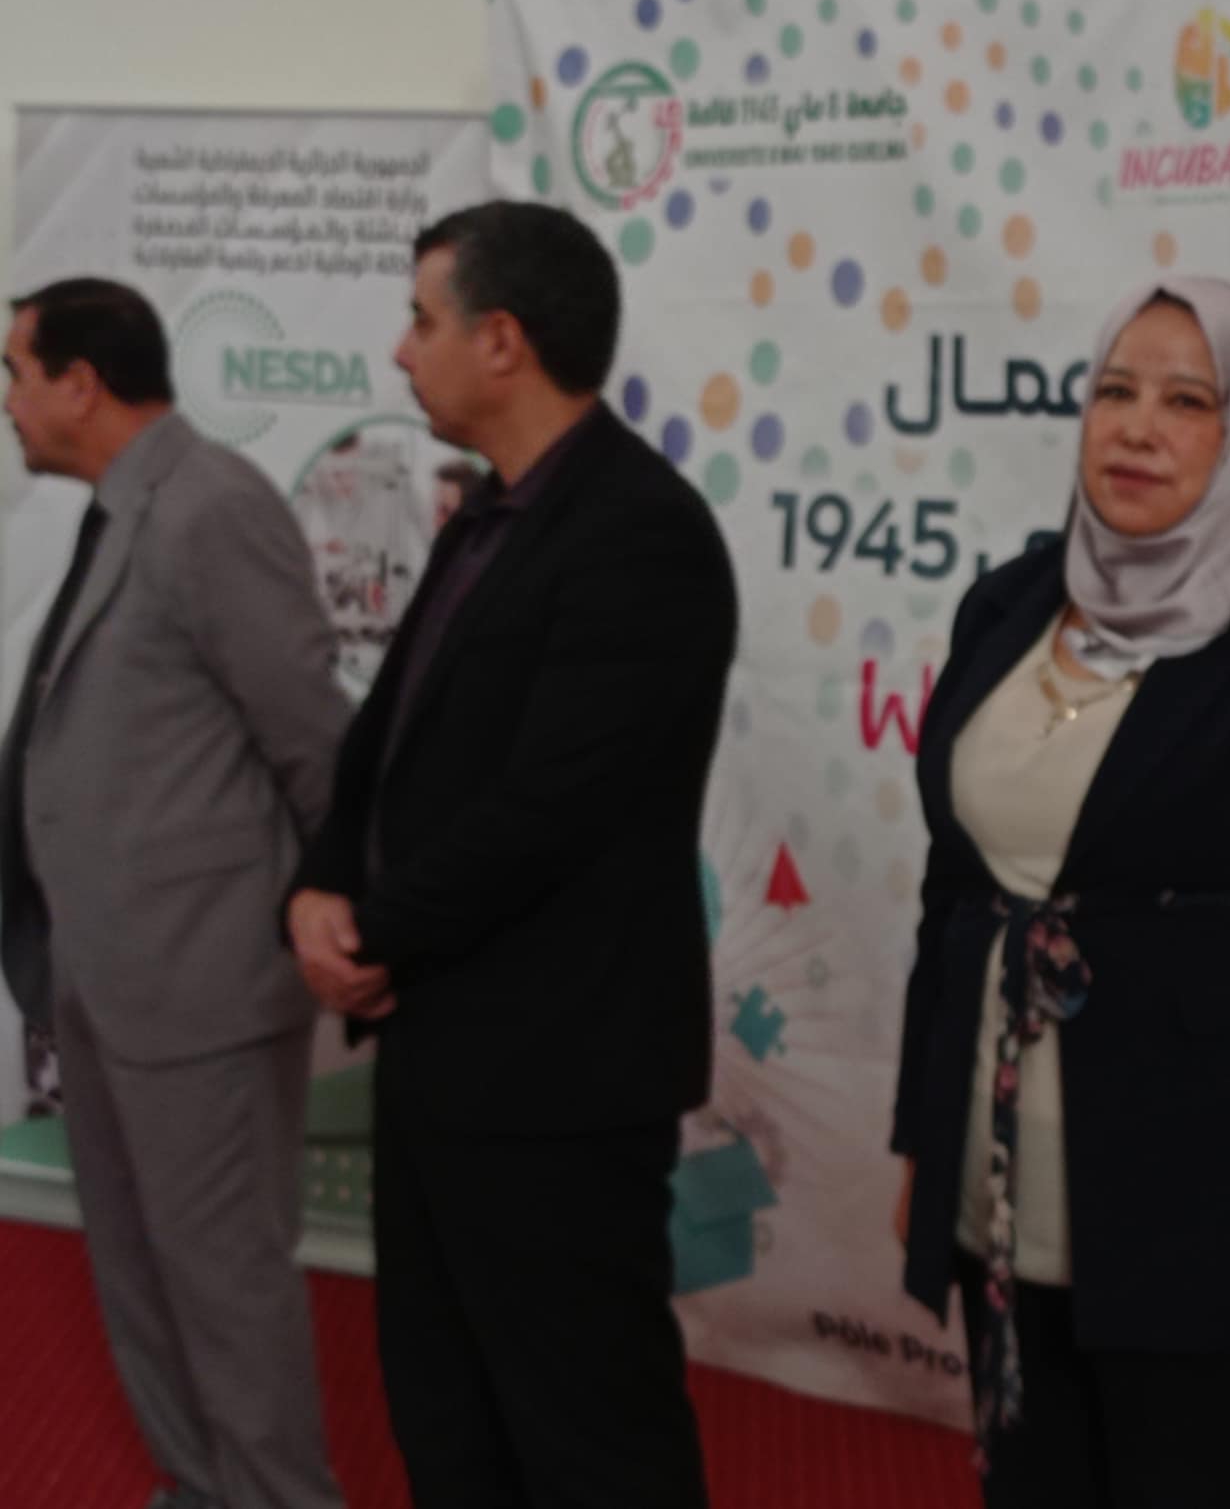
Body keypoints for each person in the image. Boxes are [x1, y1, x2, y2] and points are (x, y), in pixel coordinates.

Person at [889, 276, 1230, 1508]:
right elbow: (954, 890)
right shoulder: (1010, 602)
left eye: (1187, 402)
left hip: (1216, 1220)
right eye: (1114, 391)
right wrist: (922, 1139)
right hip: (1003, 1192)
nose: (1137, 428)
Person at [286, 201, 736, 1509]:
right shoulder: (488, 514)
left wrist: (370, 933)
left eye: (419, 319)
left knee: (589, 1434)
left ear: (501, 339)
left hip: (558, 1076)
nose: (398, 349)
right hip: (443, 1052)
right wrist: (316, 883)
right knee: (448, 1414)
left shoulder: (640, 530)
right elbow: (387, 744)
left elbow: (552, 808)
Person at [0, 278, 351, 1509]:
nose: (8, 403)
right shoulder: (123, 508)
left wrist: (335, 914)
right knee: (139, 1270)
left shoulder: (211, 505)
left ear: (80, 383)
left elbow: (314, 743)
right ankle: (198, 1489)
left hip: (202, 983)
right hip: (103, 973)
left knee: (224, 1285)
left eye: (16, 375)